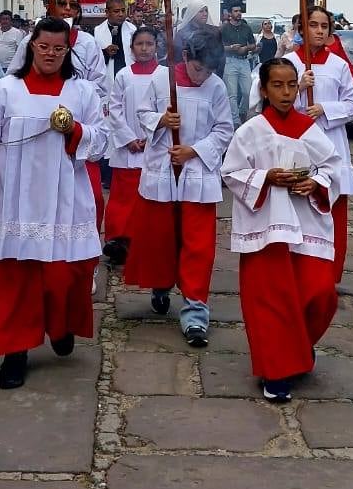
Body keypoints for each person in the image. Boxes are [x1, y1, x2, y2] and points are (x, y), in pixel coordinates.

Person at [0, 17, 107, 389]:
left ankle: (60, 326)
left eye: (59, 48)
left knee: (63, 275)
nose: (50, 54)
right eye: (44, 47)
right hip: (13, 199)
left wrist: (75, 130)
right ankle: (15, 351)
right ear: (31, 47)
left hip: (63, 199)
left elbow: (101, 139)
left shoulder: (82, 92)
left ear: (68, 51)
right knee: (13, 278)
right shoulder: (5, 90)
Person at [222, 58, 339, 403]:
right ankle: (276, 372)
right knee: (271, 303)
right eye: (277, 85)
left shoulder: (308, 128)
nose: (286, 92)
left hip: (306, 224)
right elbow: (231, 173)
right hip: (267, 228)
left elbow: (333, 168)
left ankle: (299, 347)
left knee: (320, 293)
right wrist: (266, 177)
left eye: (291, 85)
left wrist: (315, 182)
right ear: (263, 90)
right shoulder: (251, 131)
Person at [124, 30, 234, 347]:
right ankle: (161, 285)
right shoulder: (162, 79)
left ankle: (195, 311)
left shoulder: (216, 86)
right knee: (161, 238)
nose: (202, 77)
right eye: (198, 69)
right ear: (185, 57)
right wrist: (161, 121)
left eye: (209, 71)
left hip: (197, 172)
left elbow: (224, 129)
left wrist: (193, 150)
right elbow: (142, 113)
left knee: (198, 245)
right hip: (163, 167)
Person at [9, 0, 109, 229]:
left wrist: (74, 95)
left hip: (75, 128)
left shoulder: (88, 43)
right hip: (36, 128)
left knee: (91, 199)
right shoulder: (29, 42)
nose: (67, 9)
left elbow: (100, 83)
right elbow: (14, 78)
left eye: (73, 5)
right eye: (62, 3)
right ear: (51, 7)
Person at [285, 7, 353, 283]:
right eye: (313, 25)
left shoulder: (338, 65)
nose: (318, 31)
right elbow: (269, 104)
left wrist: (325, 109)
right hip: (298, 145)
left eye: (324, 26)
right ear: (302, 29)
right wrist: (299, 87)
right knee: (297, 212)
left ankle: (328, 277)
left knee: (333, 213)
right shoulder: (287, 63)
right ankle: (298, 273)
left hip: (331, 144)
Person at [103, 25, 167, 265]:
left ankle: (147, 241)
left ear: (157, 47)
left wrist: (152, 137)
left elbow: (168, 109)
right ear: (131, 48)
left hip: (156, 144)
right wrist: (128, 138)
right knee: (123, 198)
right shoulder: (123, 75)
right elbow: (115, 108)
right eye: (139, 44)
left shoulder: (165, 75)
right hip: (128, 147)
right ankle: (120, 240)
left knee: (150, 198)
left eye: (149, 44)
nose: (144, 48)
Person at [222, 5, 257, 126]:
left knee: (248, 92)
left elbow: (253, 44)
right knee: (232, 94)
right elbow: (218, 46)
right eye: (235, 11)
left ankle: (242, 112)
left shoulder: (246, 28)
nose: (238, 13)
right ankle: (235, 121)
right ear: (230, 13)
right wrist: (231, 48)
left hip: (244, 61)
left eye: (240, 11)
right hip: (230, 61)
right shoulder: (224, 28)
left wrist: (246, 48)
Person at [174, 0, 225, 76]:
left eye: (206, 11)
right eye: (201, 11)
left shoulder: (214, 31)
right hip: (189, 74)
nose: (205, 14)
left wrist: (218, 74)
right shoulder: (182, 33)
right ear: (192, 13)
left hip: (211, 74)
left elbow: (221, 56)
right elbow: (178, 56)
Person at [94, 0, 137, 88]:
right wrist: (105, 53)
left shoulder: (132, 30)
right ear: (107, 12)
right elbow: (93, 60)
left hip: (129, 78)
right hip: (107, 80)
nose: (121, 14)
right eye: (116, 11)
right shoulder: (97, 32)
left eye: (123, 10)